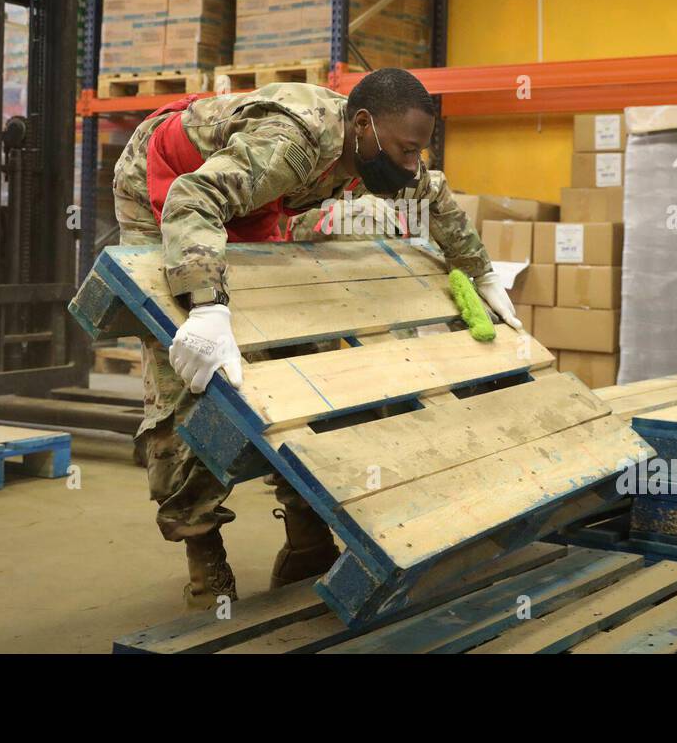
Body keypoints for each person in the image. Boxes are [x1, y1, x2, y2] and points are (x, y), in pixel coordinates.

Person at [111, 67, 522, 609]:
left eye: (418, 150)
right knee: (189, 373)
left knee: (300, 362)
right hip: (166, 189)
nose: (411, 162)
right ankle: (203, 554)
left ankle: (306, 536)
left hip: (252, 202)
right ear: (364, 125)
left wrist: (481, 272)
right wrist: (206, 308)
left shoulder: (382, 150)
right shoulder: (291, 144)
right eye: (405, 149)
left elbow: (436, 196)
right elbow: (195, 197)